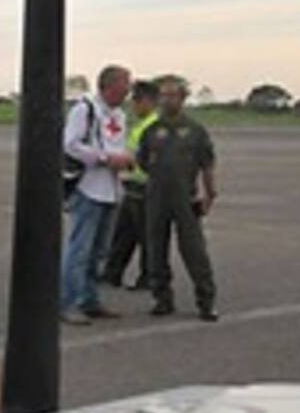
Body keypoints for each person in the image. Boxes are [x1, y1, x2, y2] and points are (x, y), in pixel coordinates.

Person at [137, 76, 219, 321]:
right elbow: (143, 162)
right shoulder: (151, 131)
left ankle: (206, 301)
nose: (166, 100)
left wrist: (210, 194)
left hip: (186, 198)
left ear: (182, 98)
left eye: (172, 95)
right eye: (162, 95)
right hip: (156, 198)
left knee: (194, 251)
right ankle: (162, 298)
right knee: (155, 249)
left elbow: (208, 164)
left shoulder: (195, 131)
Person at [59, 65, 135, 326]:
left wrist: (126, 159)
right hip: (88, 188)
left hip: (111, 190)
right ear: (110, 85)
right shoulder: (84, 109)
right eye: (125, 83)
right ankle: (67, 303)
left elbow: (117, 144)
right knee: (79, 250)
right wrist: (104, 158)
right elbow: (69, 144)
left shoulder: (119, 115)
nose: (128, 89)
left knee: (99, 251)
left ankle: (89, 300)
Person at [101, 79, 159, 289]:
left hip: (145, 186)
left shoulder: (153, 127)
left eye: (136, 100)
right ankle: (112, 272)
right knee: (124, 233)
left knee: (146, 235)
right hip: (132, 185)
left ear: (149, 101)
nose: (133, 105)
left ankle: (149, 277)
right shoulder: (142, 125)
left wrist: (128, 164)